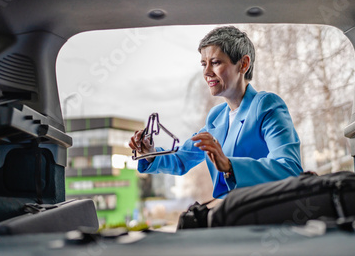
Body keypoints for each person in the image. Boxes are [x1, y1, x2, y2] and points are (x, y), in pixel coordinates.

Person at [129, 26, 303, 199]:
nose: (206, 72)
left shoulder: (266, 106)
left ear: (243, 64)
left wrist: (229, 166)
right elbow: (182, 159)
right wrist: (150, 153)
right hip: (232, 214)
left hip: (268, 216)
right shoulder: (216, 117)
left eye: (216, 62)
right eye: (204, 64)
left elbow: (289, 169)